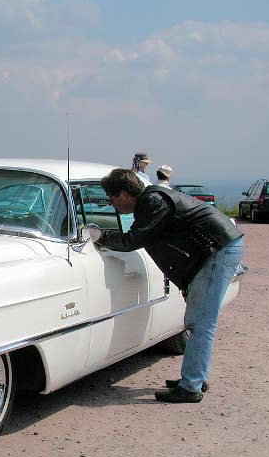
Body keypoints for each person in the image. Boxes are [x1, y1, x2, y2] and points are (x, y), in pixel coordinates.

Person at [88, 168, 244, 403]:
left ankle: (191, 387)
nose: (112, 206)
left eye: (111, 199)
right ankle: (195, 378)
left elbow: (133, 240)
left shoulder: (152, 202)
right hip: (214, 250)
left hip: (217, 250)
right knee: (199, 320)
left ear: (123, 193)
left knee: (200, 322)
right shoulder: (153, 199)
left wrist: (99, 237)